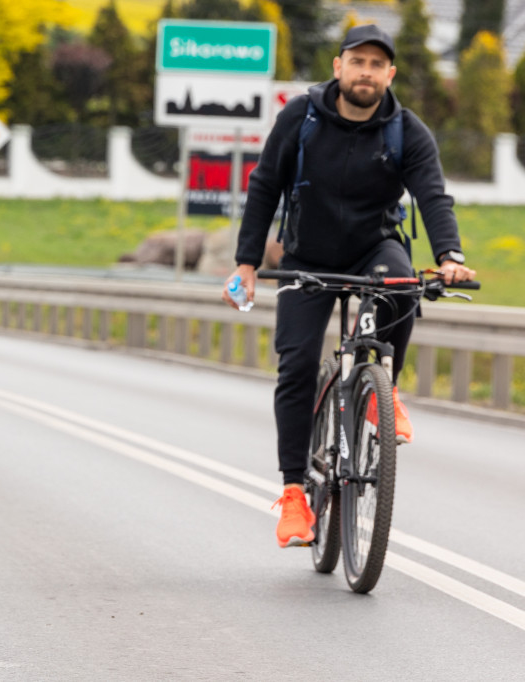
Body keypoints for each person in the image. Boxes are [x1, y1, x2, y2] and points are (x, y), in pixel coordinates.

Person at [221, 25, 476, 549]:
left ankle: (385, 389)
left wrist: (450, 256)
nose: (366, 72)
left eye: (376, 64)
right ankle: (294, 494)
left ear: (390, 74)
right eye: (357, 61)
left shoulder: (407, 130)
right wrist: (248, 263)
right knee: (295, 365)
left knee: (403, 282)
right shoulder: (301, 117)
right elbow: (265, 185)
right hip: (306, 257)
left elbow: (432, 195)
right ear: (338, 67)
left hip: (372, 249)